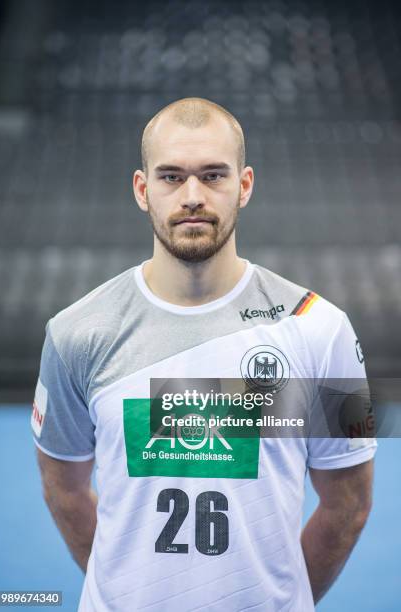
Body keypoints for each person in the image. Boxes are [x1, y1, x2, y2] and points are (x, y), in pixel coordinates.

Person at [32, 97, 376, 611]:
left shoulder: (322, 328)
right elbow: (64, 490)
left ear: (245, 185)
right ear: (142, 190)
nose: (192, 195)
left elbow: (349, 503)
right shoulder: (74, 332)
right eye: (171, 177)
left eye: (213, 175)